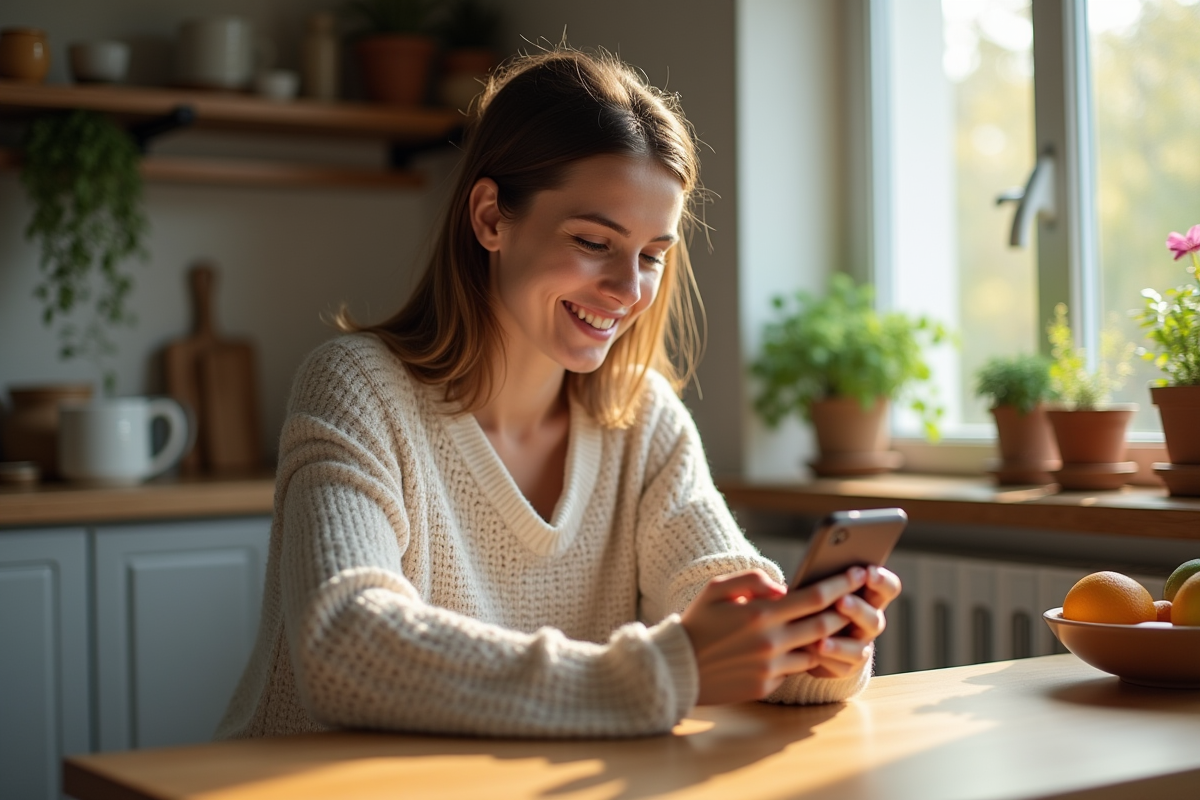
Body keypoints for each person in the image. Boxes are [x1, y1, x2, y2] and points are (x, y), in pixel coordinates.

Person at [216, 47, 900, 740]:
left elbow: (719, 597)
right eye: (593, 241)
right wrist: (664, 671)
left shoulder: (643, 421)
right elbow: (344, 645)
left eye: (652, 255)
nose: (629, 289)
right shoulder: (357, 386)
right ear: (490, 218)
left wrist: (815, 647)